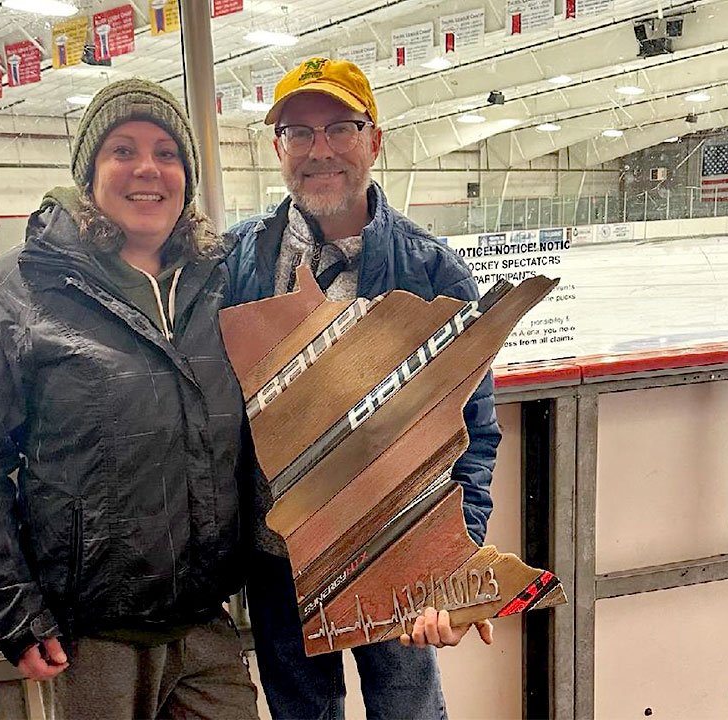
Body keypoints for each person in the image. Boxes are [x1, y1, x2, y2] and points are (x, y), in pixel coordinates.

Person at [0, 79, 258, 719]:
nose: (148, 169)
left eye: (168, 152)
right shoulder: (18, 287)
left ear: (188, 177)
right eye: (123, 149)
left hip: (205, 620)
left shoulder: (219, 282)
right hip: (90, 635)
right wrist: (9, 604)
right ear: (90, 172)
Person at [224, 57, 502, 719]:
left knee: (408, 710)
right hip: (277, 561)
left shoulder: (433, 272)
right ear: (277, 150)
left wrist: (447, 567)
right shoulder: (236, 262)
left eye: (339, 128)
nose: (318, 150)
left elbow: (473, 432)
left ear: (374, 140)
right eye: (297, 132)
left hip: (394, 551)